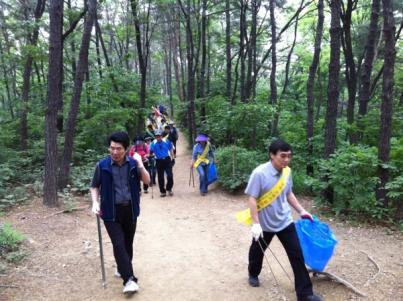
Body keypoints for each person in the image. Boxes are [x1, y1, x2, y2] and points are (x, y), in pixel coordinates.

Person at [244, 139, 322, 301]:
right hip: (264, 224)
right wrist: (256, 223)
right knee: (257, 252)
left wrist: (301, 211)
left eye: (289, 156)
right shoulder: (259, 173)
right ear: (272, 155)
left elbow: (288, 193)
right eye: (282, 156)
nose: (286, 159)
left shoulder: (287, 172)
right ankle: (253, 273)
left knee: (297, 255)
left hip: (285, 221)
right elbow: (252, 199)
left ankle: (305, 293)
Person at [90, 131, 150, 294]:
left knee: (127, 242)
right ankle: (129, 279)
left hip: (130, 210)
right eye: (112, 148)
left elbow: (147, 181)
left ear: (126, 149)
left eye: (119, 149)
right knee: (118, 243)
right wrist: (95, 202)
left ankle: (122, 267)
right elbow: (94, 186)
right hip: (110, 212)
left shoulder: (133, 164)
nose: (115, 152)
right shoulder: (102, 166)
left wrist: (140, 164)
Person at [149, 129, 175, 197]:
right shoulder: (153, 143)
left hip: (167, 159)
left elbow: (171, 149)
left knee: (170, 175)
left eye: (159, 136)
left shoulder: (166, 141)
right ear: (155, 136)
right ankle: (162, 191)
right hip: (158, 161)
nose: (158, 137)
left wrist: (173, 158)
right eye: (157, 136)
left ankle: (169, 188)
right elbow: (151, 152)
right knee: (160, 177)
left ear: (161, 136)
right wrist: (151, 156)